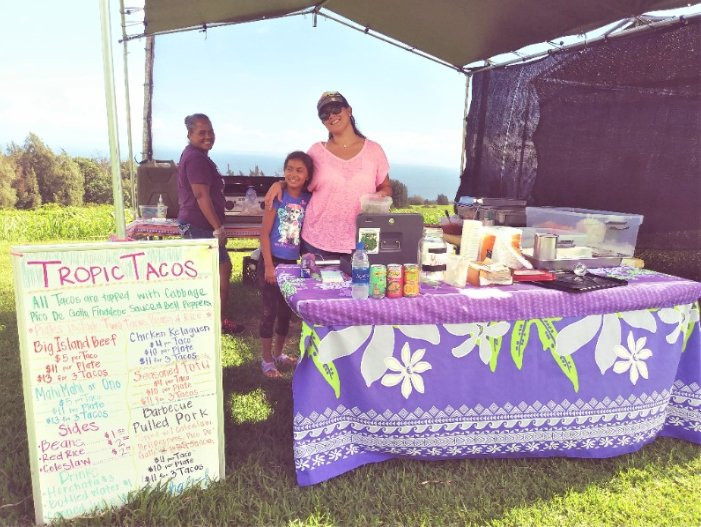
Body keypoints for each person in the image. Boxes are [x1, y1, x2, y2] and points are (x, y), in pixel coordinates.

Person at [264, 91, 392, 259]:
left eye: (336, 109)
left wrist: (382, 195)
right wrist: (280, 184)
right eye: (324, 114)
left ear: (349, 110)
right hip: (316, 242)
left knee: (362, 286)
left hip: (362, 241)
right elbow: (298, 177)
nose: (331, 116)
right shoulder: (316, 151)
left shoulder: (374, 150)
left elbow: (385, 186)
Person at [177, 113, 243, 335]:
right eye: (201, 132)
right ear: (190, 134)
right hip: (200, 226)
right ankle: (217, 321)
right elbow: (200, 195)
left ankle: (212, 319)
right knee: (218, 271)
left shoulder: (196, 155)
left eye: (210, 131)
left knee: (217, 271)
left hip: (197, 224)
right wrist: (218, 228)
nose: (208, 136)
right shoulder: (196, 158)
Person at [258, 151, 313, 378]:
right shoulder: (277, 197)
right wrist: (269, 266)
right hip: (271, 263)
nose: (293, 174)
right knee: (268, 312)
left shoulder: (308, 200)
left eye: (299, 170)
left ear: (308, 175)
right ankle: (266, 360)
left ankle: (279, 354)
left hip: (291, 264)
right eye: (289, 169)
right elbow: (264, 235)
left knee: (285, 313)